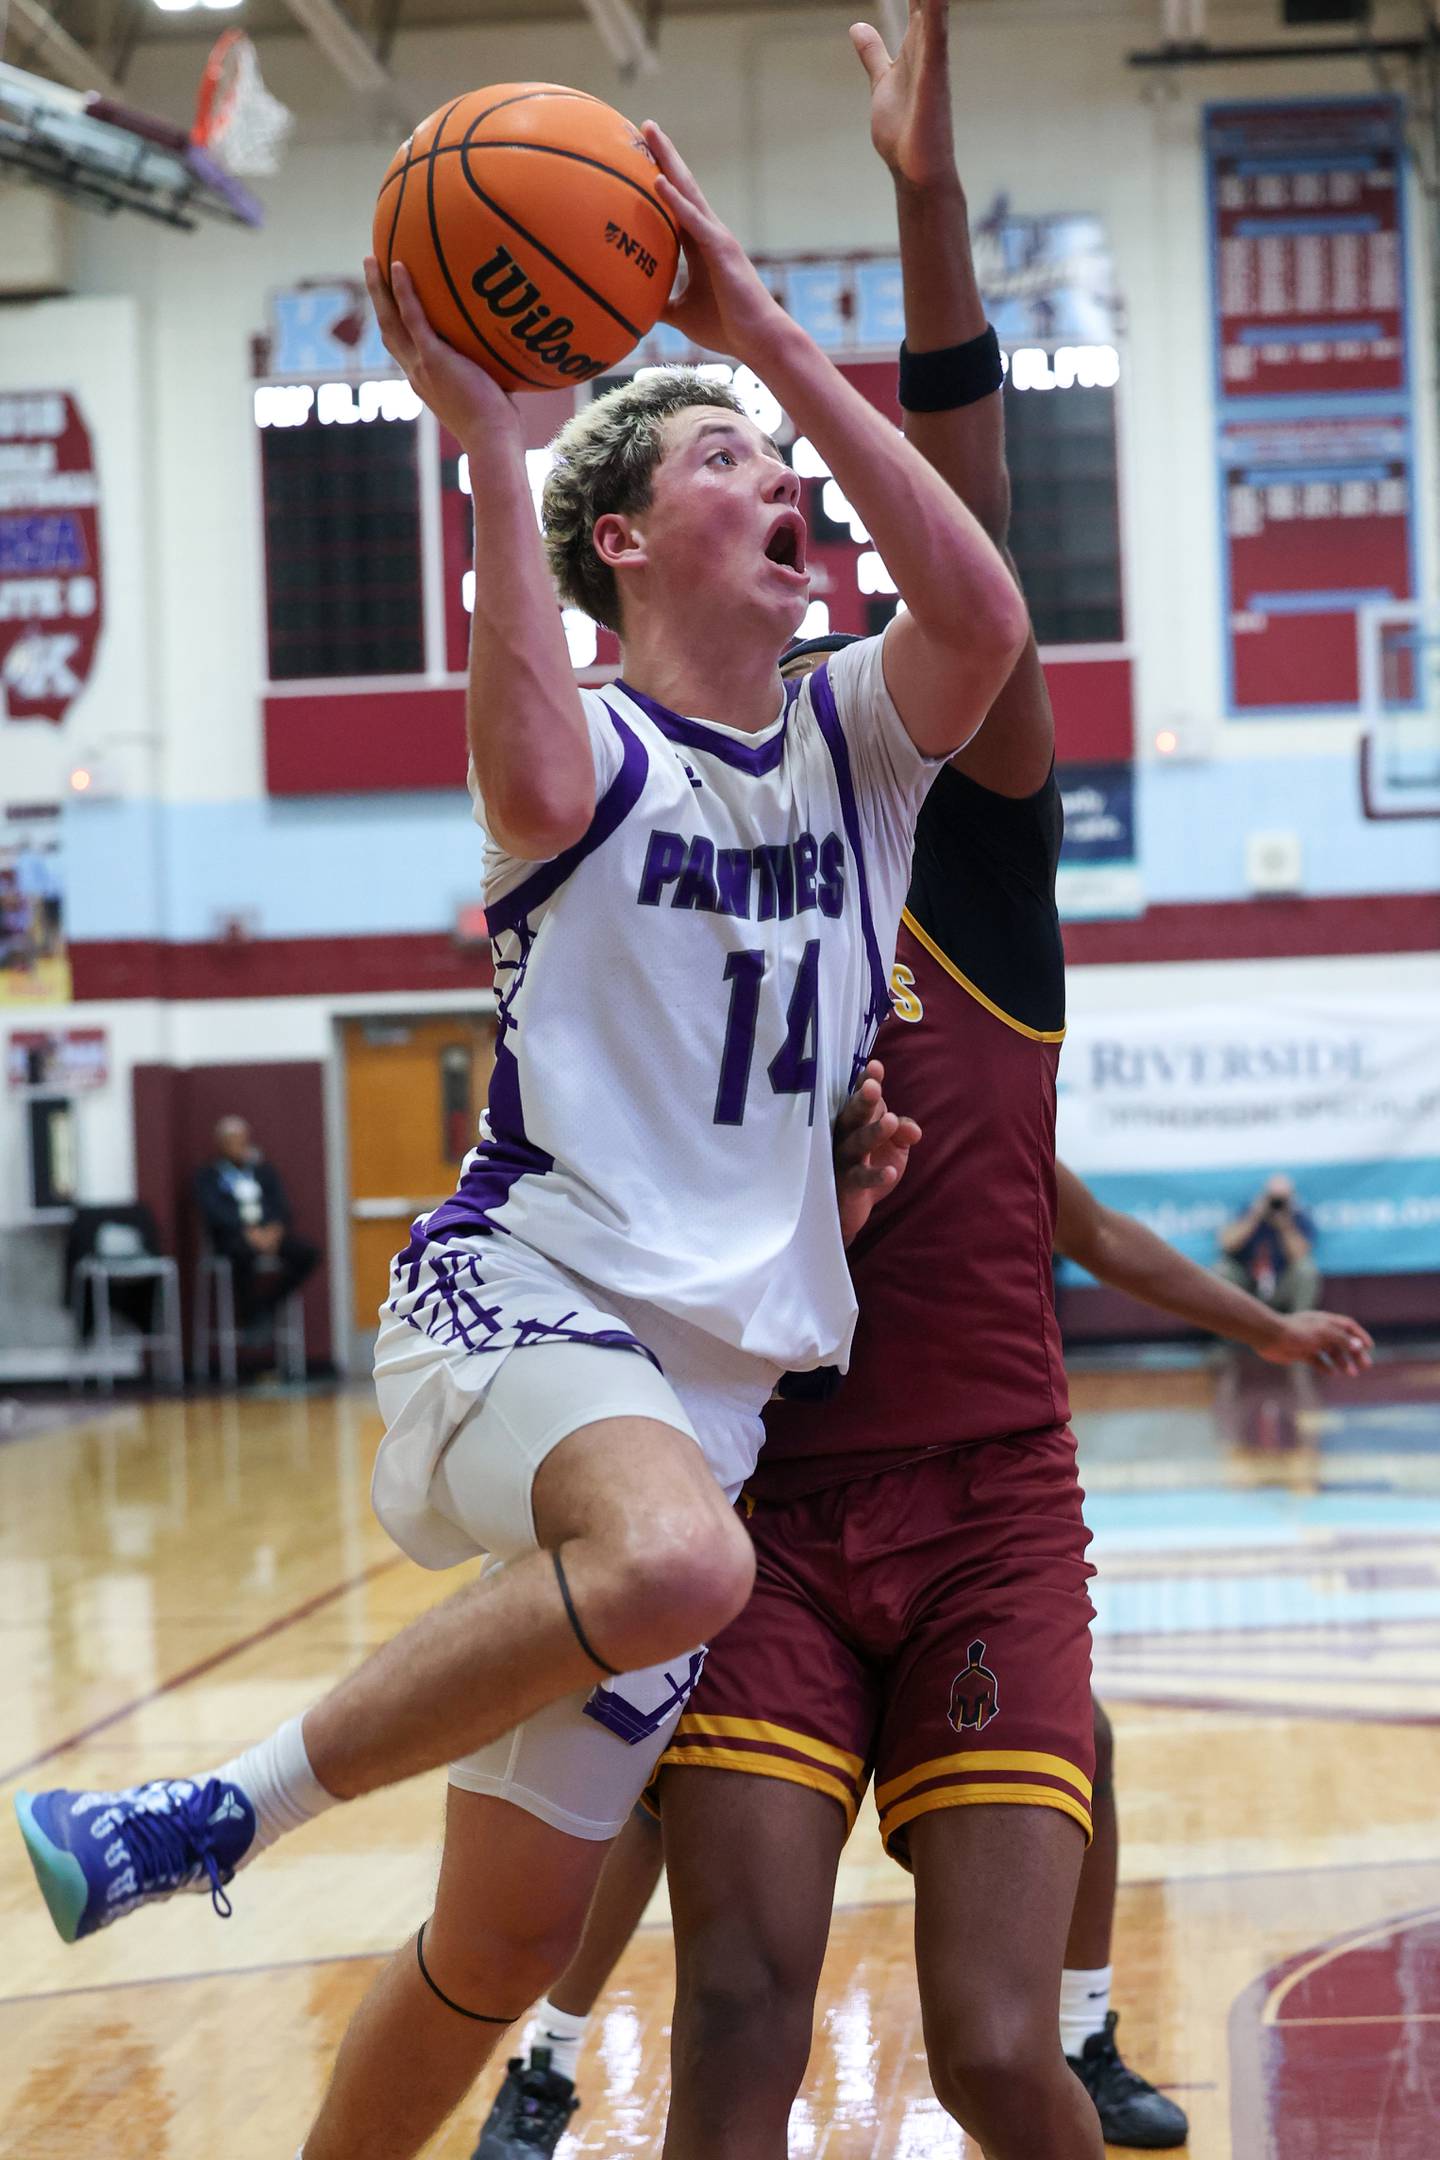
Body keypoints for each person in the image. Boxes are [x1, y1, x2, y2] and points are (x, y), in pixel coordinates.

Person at [14, 105, 1027, 2160]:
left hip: (716, 1389)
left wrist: (761, 327)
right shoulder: (592, 753)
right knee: (675, 1559)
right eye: (724, 454)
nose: (777, 473)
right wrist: (487, 443)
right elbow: (523, 737)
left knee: (495, 1949)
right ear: (628, 546)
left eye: (772, 451)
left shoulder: (852, 742)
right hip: (527, 1304)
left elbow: (989, 623)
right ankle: (196, 1818)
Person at [473, 15, 1376, 2157]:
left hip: (984, 1498)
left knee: (989, 2055)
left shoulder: (959, 824)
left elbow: (967, 526)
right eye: (747, 497)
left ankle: (1082, 2026)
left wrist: (925, 208)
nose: (806, 537)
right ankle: (525, 2052)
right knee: (739, 2016)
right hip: (759, 1502)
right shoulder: (678, 849)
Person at [473, 1176, 1371, 2155]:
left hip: (964, 1517)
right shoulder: (729, 1076)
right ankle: (548, 2064)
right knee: (648, 1773)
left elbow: (1097, 1227)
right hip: (753, 1489)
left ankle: (1081, 2038)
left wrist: (1260, 1327)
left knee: (1082, 1757)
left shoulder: (983, 1066)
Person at [194, 1115, 321, 1325]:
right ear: (221, 1145)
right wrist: (246, 1231)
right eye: (231, 1141)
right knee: (242, 1255)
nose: (237, 1146)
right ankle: (248, 1315)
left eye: (241, 1140)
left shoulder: (262, 1171)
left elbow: (281, 1205)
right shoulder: (209, 1175)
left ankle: (269, 1305)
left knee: (307, 1254)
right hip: (234, 1237)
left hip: (269, 1234)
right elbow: (213, 1211)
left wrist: (273, 1230)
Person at [1216, 1174, 1321, 1313]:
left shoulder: (1298, 1216)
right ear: (1264, 1196)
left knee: (1306, 1269)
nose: (1276, 1204)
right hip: (1247, 1284)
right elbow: (1227, 1244)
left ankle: (1300, 1325)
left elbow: (1299, 1254)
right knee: (1222, 1270)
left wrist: (1285, 1226)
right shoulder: (1248, 1212)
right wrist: (1254, 1216)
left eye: (1281, 1200)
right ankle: (1227, 1331)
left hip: (1280, 1283)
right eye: (1273, 1198)